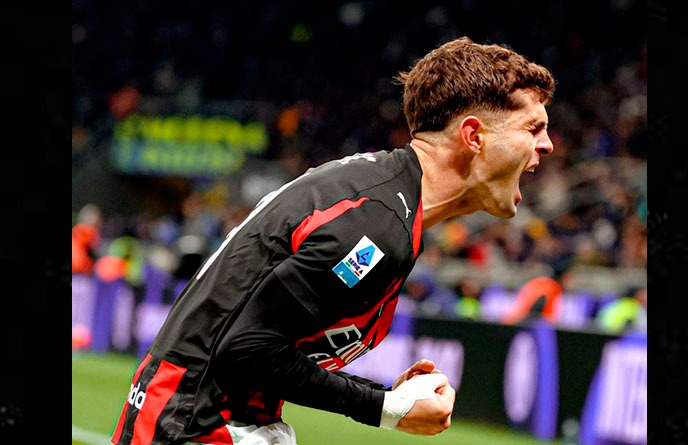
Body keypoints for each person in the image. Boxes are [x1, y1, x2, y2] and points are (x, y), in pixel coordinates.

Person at [111, 35, 556, 445]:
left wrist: (389, 397)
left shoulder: (384, 199)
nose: (548, 145)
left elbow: (266, 345)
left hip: (199, 415)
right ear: (473, 136)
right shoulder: (377, 223)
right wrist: (385, 409)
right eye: (533, 128)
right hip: (192, 425)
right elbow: (246, 349)